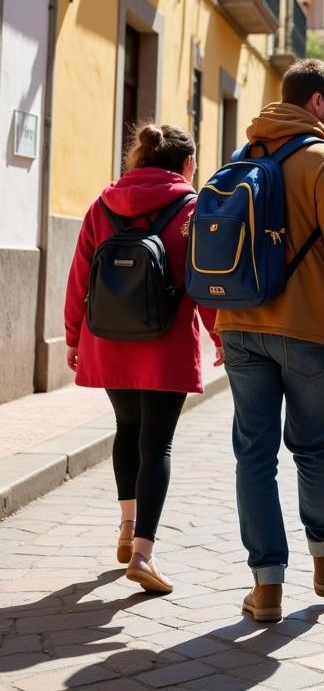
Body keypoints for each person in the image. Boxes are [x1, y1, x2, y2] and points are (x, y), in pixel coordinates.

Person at [216, 59, 324, 624]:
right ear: (315, 103)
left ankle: (265, 588)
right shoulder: (323, 160)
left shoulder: (240, 158)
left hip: (240, 324)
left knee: (253, 454)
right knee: (312, 446)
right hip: (308, 329)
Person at [64, 123, 220, 595]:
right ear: (187, 164)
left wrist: (73, 336)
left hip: (108, 336)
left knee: (127, 430)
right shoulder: (192, 209)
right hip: (165, 340)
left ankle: (127, 527)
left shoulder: (103, 204)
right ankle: (144, 555)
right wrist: (220, 337)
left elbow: (79, 275)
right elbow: (203, 278)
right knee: (158, 444)